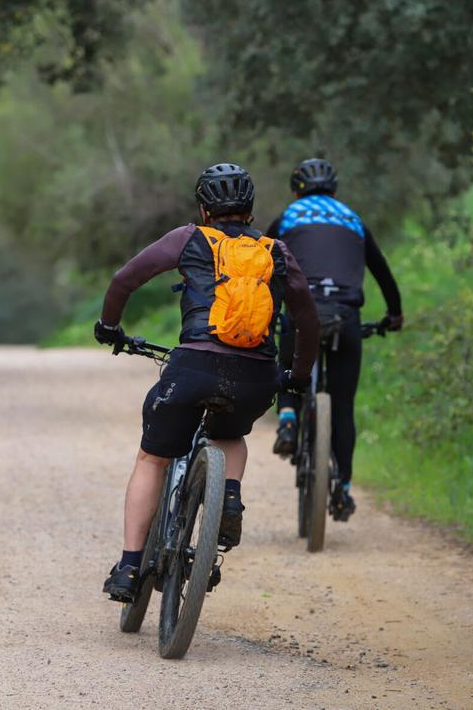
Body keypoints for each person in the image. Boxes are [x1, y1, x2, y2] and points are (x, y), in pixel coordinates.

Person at [94, 162, 320, 602]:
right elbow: (307, 319)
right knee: (231, 434)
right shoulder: (276, 251)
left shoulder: (188, 238)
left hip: (194, 366)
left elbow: (125, 280)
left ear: (203, 209)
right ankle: (229, 496)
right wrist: (297, 376)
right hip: (255, 376)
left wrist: (109, 326)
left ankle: (129, 568)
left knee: (152, 458)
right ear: (251, 210)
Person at [266, 157, 403, 522]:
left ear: (297, 190)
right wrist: (394, 314)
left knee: (287, 362)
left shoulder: (288, 217)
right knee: (342, 404)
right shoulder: (352, 219)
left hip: (302, 310)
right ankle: (342, 486)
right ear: (334, 188)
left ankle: (288, 417)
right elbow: (382, 271)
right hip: (345, 314)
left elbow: (261, 264)